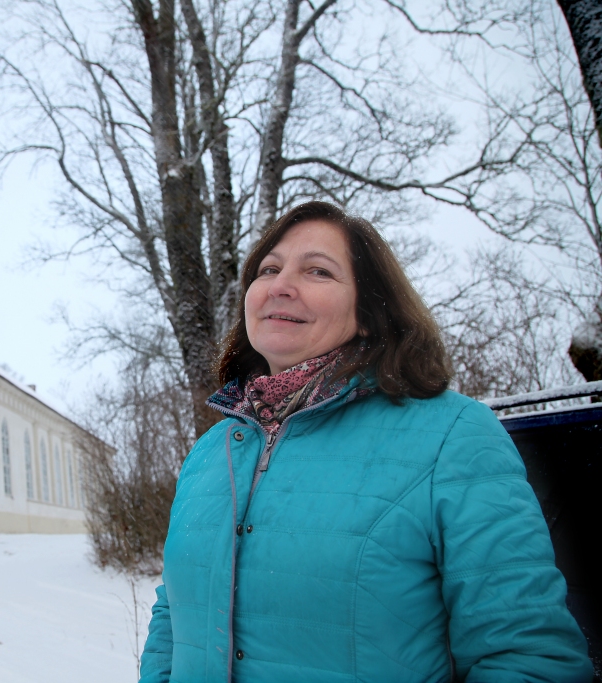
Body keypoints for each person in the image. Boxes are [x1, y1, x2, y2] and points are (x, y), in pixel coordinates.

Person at [138, 201, 592, 683]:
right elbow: (174, 615)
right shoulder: (210, 452)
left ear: (371, 314)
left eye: (318, 271)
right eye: (269, 268)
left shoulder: (453, 435)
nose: (281, 284)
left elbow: (528, 656)